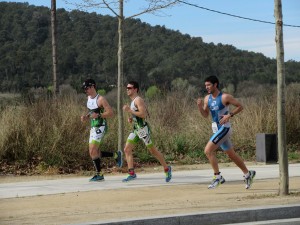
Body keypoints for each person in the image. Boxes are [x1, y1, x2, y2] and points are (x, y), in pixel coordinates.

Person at [197, 76, 256, 189]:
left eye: (209, 85)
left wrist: (229, 115)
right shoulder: (207, 98)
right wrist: (200, 107)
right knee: (231, 154)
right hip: (216, 129)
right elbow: (205, 115)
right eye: (205, 85)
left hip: (224, 128)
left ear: (215, 85)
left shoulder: (225, 97)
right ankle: (248, 174)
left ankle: (218, 177)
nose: (207, 87)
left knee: (208, 151)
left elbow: (240, 106)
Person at [122, 81, 172, 182]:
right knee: (127, 149)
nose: (127, 89)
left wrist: (130, 111)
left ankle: (167, 168)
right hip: (136, 129)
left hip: (143, 130)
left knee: (152, 151)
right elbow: (137, 114)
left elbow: (143, 114)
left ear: (135, 89)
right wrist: (132, 118)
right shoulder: (132, 101)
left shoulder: (138, 100)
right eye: (127, 88)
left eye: (130, 88)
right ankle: (131, 173)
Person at [81, 78, 123, 182]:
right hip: (93, 126)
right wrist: (86, 117)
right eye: (84, 89)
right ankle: (116, 155)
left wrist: (98, 115)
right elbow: (92, 112)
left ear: (93, 87)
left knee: (93, 150)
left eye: (87, 88)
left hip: (101, 126)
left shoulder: (101, 99)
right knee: (93, 152)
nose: (85, 90)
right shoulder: (88, 98)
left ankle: (99, 174)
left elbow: (111, 113)